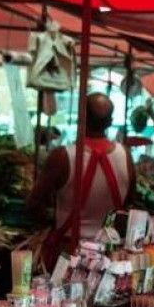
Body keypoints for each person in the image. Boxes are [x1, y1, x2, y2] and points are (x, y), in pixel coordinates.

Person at [28, 93, 135, 261]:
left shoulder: (62, 156)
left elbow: (34, 204)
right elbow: (128, 203)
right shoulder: (126, 156)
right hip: (108, 255)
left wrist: (52, 219)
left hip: (69, 253)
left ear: (80, 117)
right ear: (110, 122)